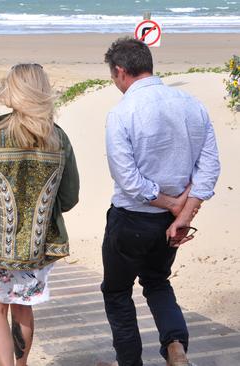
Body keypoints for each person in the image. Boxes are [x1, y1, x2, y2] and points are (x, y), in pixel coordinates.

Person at [99, 38, 221, 366]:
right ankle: (176, 347)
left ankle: (130, 363)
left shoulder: (122, 112)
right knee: (157, 282)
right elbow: (209, 166)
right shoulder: (191, 104)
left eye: (114, 77)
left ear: (121, 72)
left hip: (132, 219)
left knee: (117, 292)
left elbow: (128, 179)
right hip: (170, 223)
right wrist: (185, 211)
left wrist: (171, 205)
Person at [0, 63, 79, 366]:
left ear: (13, 92)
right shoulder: (58, 139)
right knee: (23, 307)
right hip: (37, 247)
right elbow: (70, 197)